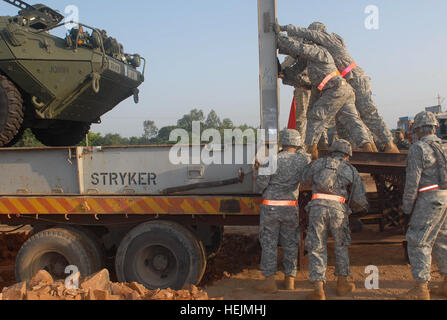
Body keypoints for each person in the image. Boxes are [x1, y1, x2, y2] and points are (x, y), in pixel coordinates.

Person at [276, 22, 399, 154]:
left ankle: (389, 144)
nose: (309, 40)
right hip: (341, 84)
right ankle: (366, 148)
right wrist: (283, 73)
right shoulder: (319, 51)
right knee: (346, 118)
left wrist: (284, 29)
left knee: (367, 112)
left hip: (353, 78)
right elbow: (298, 66)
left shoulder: (329, 40)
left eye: (311, 38)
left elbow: (303, 44)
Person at [302, 139, 369, 300]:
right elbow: (359, 200)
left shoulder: (318, 163)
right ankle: (342, 284)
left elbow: (304, 180)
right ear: (348, 154)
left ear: (332, 151)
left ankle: (318, 289)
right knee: (341, 246)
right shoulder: (351, 169)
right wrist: (357, 210)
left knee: (317, 246)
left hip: (317, 208)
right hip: (339, 210)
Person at [255, 129, 311, 292]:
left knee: (269, 243)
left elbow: (260, 184)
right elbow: (307, 178)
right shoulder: (303, 161)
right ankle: (290, 280)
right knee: (290, 244)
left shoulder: (272, 159)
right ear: (297, 143)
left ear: (282, 142)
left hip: (271, 207)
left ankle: (270, 281)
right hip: (290, 207)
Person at [401, 111, 447, 300]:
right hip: (445, 197)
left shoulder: (418, 148)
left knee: (418, 240)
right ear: (435, 127)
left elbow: (413, 182)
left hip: (429, 197)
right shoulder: (445, 147)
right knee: (443, 239)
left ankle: (421, 288)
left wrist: (406, 208)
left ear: (418, 129)